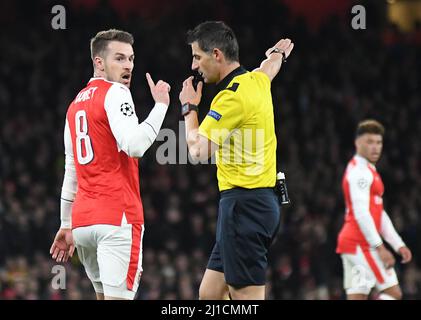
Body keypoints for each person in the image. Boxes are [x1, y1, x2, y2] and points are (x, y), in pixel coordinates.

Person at [49, 29, 171, 300]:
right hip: (117, 216)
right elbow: (135, 145)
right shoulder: (116, 92)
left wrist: (66, 223)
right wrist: (161, 106)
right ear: (99, 62)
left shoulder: (74, 105)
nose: (128, 65)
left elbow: (72, 170)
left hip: (83, 224)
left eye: (131, 58)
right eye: (119, 58)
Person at [178, 21, 294, 300]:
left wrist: (189, 108)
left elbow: (197, 151)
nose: (194, 66)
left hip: (245, 208)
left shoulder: (230, 99)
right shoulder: (255, 81)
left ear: (216, 54)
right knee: (209, 294)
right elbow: (269, 67)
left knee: (246, 300)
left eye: (197, 56)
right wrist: (278, 53)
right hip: (254, 204)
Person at [336, 119, 412, 300]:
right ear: (357, 143)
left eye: (378, 142)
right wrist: (380, 248)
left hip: (353, 243)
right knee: (393, 294)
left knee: (358, 297)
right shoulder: (359, 173)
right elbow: (361, 213)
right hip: (361, 243)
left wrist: (397, 243)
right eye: (370, 142)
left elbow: (379, 214)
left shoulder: (368, 170)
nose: (375, 147)